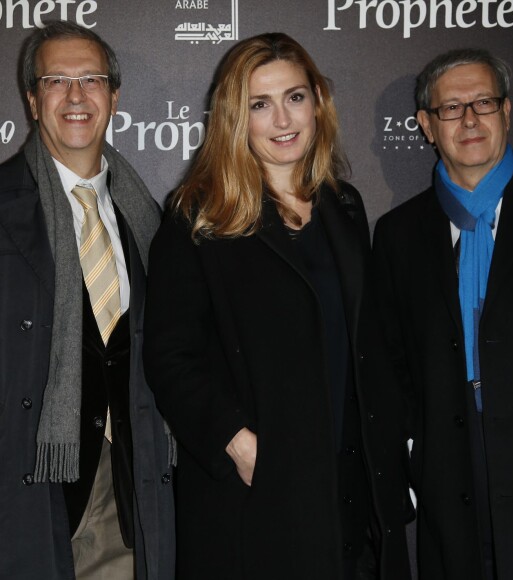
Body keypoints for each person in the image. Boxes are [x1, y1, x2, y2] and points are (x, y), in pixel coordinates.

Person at [144, 32, 412, 580]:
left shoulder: (344, 205)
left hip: (348, 485)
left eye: (295, 96)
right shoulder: (199, 215)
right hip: (256, 497)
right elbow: (170, 355)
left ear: (318, 101)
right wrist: (239, 445)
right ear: (234, 117)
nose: (282, 119)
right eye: (259, 105)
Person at [373, 48, 513, 580]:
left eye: (484, 103)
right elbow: (393, 364)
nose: (469, 119)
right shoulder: (397, 235)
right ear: (425, 124)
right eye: (451, 108)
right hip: (452, 486)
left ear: (507, 112)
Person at [0, 21, 175, 579]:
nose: (76, 95)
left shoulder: (153, 220)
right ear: (32, 100)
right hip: (28, 487)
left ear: (114, 96)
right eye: (56, 80)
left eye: (91, 79)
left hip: (129, 488)